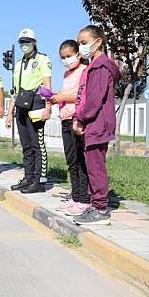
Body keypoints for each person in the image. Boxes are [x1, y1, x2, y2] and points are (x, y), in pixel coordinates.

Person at [72, 25, 120, 226]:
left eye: (84, 43)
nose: (81, 47)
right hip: (94, 124)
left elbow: (94, 101)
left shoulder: (101, 67)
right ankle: (95, 203)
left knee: (96, 167)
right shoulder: (95, 66)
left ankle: (100, 208)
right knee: (92, 165)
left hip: (97, 123)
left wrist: (80, 118)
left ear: (98, 42)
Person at [7, 28, 52, 194]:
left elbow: (47, 86)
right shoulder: (18, 64)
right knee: (26, 145)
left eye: (27, 41)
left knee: (37, 144)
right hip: (21, 105)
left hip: (36, 103)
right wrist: (10, 113)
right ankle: (29, 177)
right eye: (22, 42)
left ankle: (39, 180)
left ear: (34, 42)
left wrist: (48, 107)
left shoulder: (42, 60)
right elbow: (15, 91)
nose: (24, 44)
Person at [50, 40, 90, 215]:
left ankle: (84, 199)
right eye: (62, 58)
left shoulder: (84, 71)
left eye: (68, 56)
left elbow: (82, 95)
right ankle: (75, 196)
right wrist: (56, 98)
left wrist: (62, 97)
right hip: (65, 119)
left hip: (77, 118)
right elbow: (66, 95)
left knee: (81, 161)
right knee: (71, 161)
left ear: (78, 55)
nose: (66, 60)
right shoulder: (66, 74)